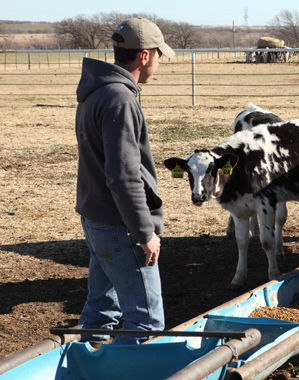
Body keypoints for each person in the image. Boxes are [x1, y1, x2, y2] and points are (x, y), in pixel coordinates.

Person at [74, 17, 175, 345]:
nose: (159, 63)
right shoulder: (120, 99)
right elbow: (124, 176)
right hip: (122, 227)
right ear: (144, 56)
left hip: (98, 219)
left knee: (101, 310)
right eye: (159, 56)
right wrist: (144, 232)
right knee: (145, 321)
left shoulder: (97, 91)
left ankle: (83, 368)